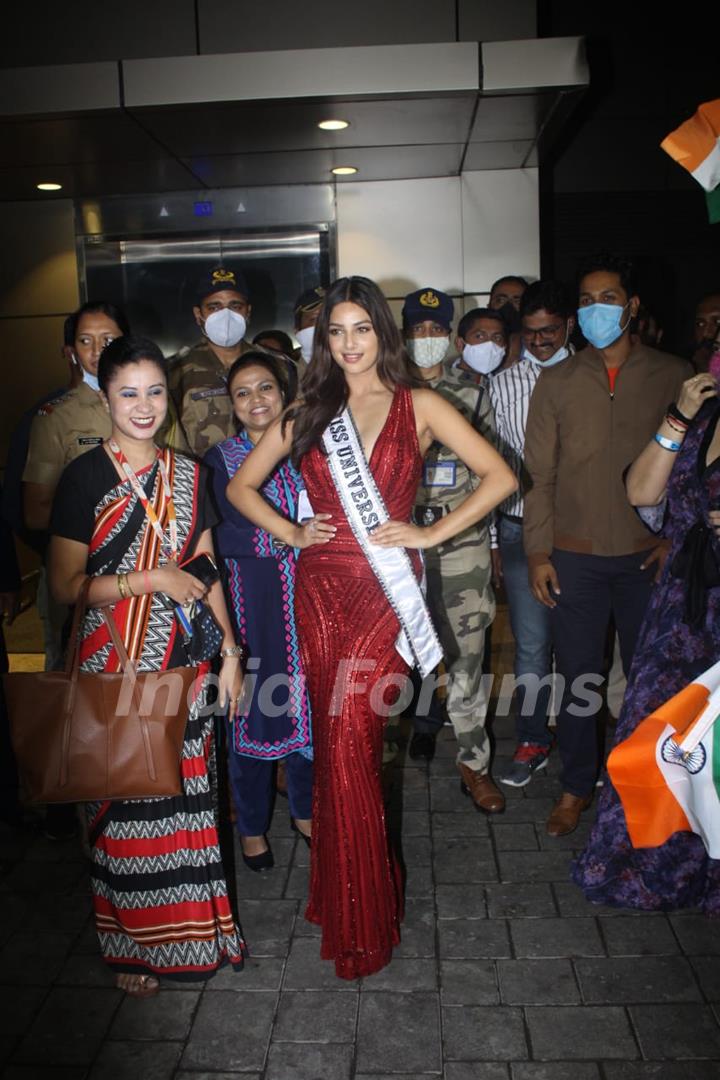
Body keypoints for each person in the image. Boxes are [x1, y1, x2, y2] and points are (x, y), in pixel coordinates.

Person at [227, 275, 516, 979]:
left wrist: (428, 532)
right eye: (337, 330)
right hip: (320, 595)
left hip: (382, 601)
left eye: (361, 328)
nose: (350, 343)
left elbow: (500, 477)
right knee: (336, 750)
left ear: (381, 334)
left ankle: (363, 913)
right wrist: (293, 531)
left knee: (355, 747)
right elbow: (239, 488)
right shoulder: (307, 408)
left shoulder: (420, 403)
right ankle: (346, 897)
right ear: (324, 340)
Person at [48, 335, 247, 995]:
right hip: (117, 667)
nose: (143, 405)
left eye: (154, 391)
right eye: (128, 392)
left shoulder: (190, 473)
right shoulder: (85, 477)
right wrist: (148, 580)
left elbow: (208, 568)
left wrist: (230, 650)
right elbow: (65, 586)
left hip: (186, 665)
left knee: (191, 799)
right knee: (130, 803)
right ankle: (131, 943)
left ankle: (198, 933)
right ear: (104, 396)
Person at [523, 253, 692, 838]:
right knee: (577, 678)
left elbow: (693, 470)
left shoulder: (674, 375)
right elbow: (538, 475)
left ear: (633, 305)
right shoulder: (557, 380)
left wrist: (676, 538)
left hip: (648, 557)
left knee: (652, 678)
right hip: (575, 556)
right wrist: (538, 554)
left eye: (610, 299)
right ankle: (575, 787)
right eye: (588, 301)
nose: (598, 310)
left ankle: (649, 789)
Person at [573, 368, 720, 914]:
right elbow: (641, 490)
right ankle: (662, 859)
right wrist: (679, 415)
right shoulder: (701, 416)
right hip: (683, 607)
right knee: (657, 740)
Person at [204, 351, 313, 870]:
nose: (255, 401)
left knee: (311, 703)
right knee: (249, 708)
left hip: (308, 596)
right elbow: (217, 534)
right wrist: (282, 539)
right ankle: (250, 826)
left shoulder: (309, 449)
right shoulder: (218, 462)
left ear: (285, 392)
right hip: (250, 601)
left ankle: (306, 810)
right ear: (232, 404)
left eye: (265, 388)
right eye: (243, 393)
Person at [402, 287, 503, 813]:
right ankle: (374, 756)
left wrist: (489, 541)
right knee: (387, 660)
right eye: (417, 329)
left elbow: (494, 474)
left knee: (466, 659)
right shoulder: (381, 392)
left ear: (451, 335)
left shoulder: (475, 392)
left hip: (459, 545)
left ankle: (473, 762)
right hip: (396, 548)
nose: (427, 339)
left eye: (436, 329)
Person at [490, 280, 575, 787]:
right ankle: (532, 739)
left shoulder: (592, 376)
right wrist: (498, 542)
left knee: (582, 644)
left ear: (568, 326)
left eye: (550, 331)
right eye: (532, 332)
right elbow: (492, 469)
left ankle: (582, 738)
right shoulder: (501, 385)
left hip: (581, 531)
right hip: (521, 528)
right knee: (530, 645)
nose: (541, 341)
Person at [167, 266, 256, 457]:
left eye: (235, 306)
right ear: (199, 314)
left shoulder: (278, 366)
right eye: (214, 307)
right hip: (202, 482)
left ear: (248, 312)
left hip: (270, 483)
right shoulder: (175, 372)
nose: (226, 316)